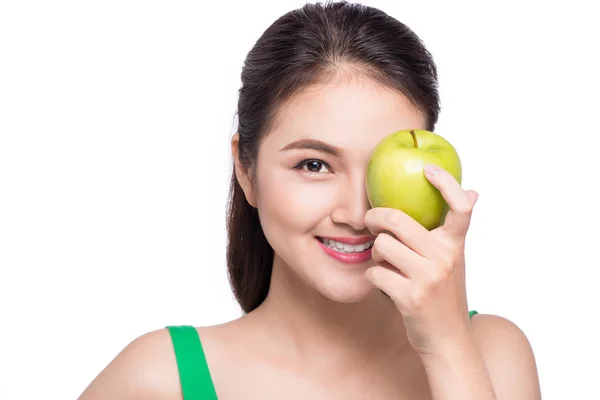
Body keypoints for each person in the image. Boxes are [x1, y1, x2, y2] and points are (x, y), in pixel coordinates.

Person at [79, 1, 541, 399]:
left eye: (384, 166)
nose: (357, 213)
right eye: (314, 165)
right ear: (246, 170)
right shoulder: (159, 380)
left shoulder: (489, 353)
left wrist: (446, 346)